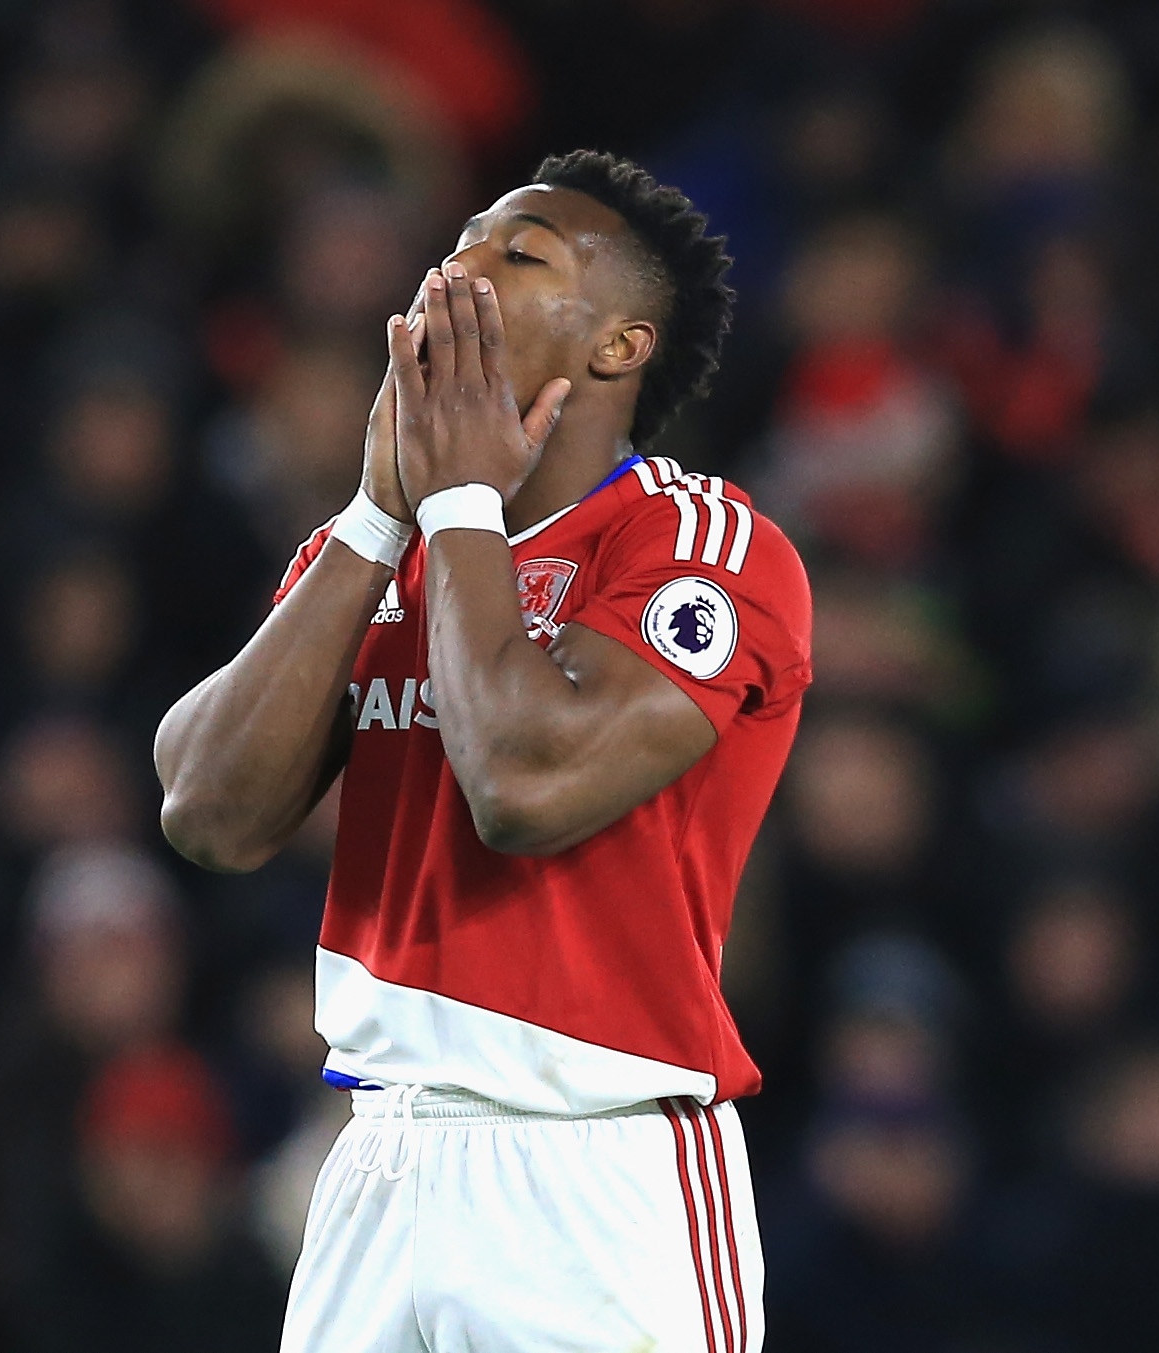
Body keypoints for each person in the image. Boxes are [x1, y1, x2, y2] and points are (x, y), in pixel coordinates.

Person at [156, 150, 812, 1352]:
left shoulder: (701, 545)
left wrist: (457, 509)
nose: (459, 269)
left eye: (519, 255)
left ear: (617, 347)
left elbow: (527, 784)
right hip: (375, 1161)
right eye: (459, 239)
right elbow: (206, 813)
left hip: (593, 1166)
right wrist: (374, 514)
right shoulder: (379, 551)